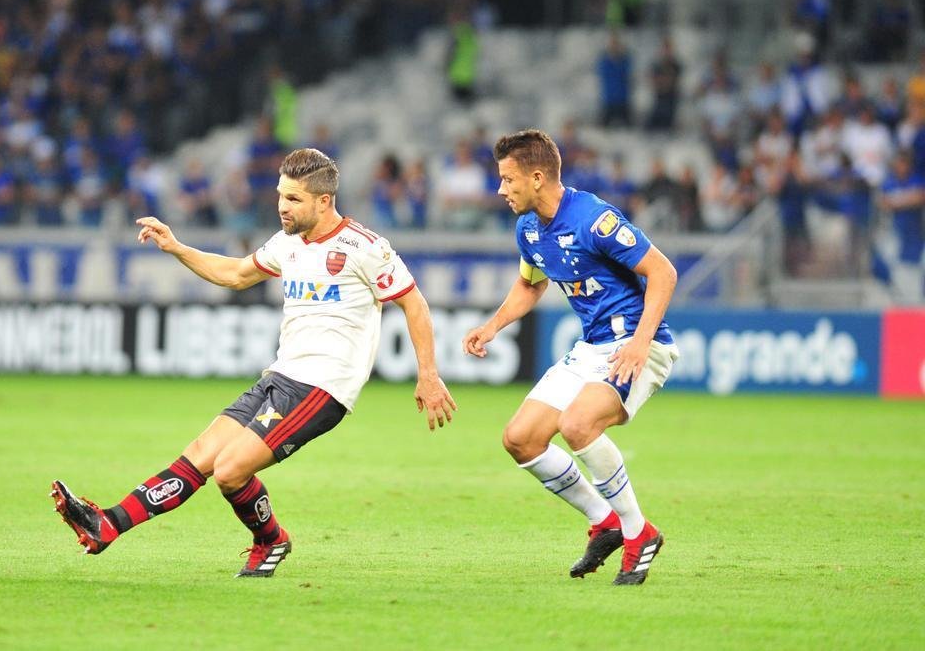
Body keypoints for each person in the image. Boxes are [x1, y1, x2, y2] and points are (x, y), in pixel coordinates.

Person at [51, 148, 457, 577]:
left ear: (324, 201)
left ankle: (271, 540)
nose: (282, 206)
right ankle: (107, 524)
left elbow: (414, 304)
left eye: (294, 199)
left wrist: (427, 375)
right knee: (200, 455)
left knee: (229, 471)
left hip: (323, 387)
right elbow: (236, 275)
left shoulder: (364, 247)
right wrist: (176, 247)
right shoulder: (288, 244)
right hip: (281, 375)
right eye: (281, 196)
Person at [462, 130, 679, 586]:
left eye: (507, 179)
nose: (500, 190)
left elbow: (662, 271)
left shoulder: (594, 219)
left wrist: (640, 343)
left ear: (537, 177)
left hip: (637, 345)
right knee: (520, 438)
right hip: (591, 346)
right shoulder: (528, 227)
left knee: (577, 425)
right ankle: (606, 522)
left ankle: (640, 533)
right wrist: (492, 326)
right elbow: (530, 283)